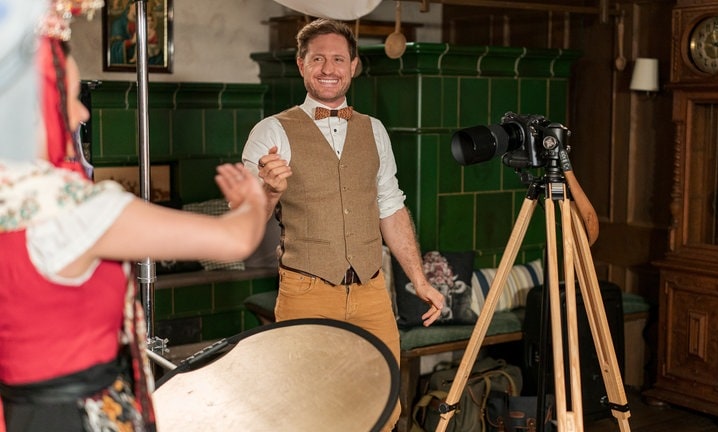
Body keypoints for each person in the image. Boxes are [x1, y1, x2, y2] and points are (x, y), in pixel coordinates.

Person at [0, 2, 269, 431]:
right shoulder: (72, 208)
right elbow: (234, 240)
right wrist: (256, 200)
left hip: (22, 413)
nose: (83, 113)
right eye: (69, 99)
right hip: (81, 415)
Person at [241, 18, 445, 430]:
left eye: (338, 59)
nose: (328, 68)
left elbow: (391, 206)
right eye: (317, 59)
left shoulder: (375, 130)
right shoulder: (271, 132)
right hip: (307, 292)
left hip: (372, 291)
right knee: (310, 411)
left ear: (354, 66)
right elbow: (243, 225)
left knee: (384, 407)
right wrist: (271, 192)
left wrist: (419, 280)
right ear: (301, 65)